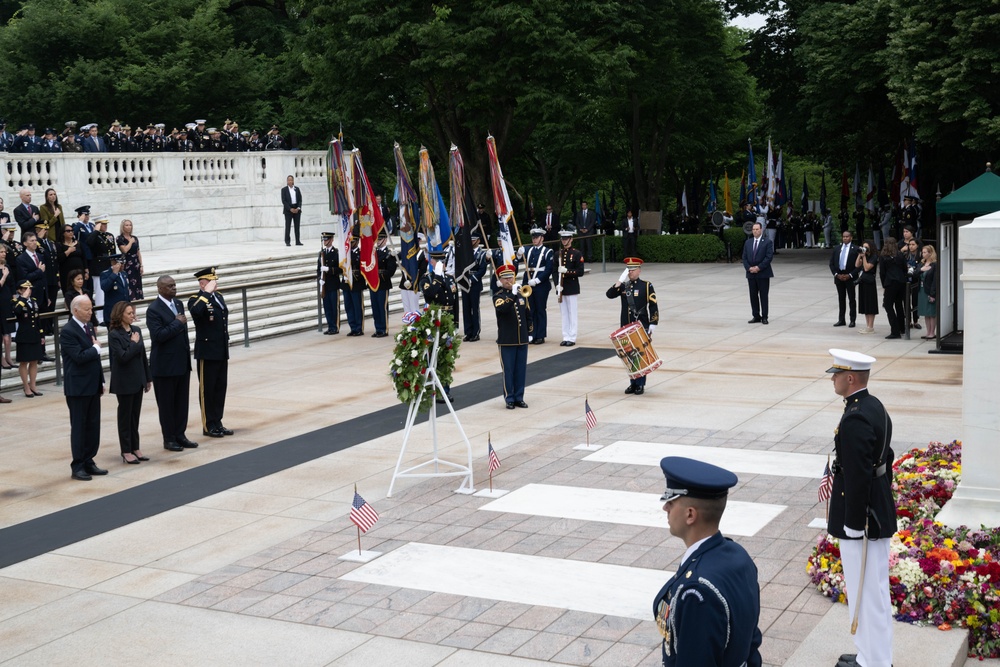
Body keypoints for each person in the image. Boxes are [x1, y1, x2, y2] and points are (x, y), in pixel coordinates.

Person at [653, 456, 763, 667]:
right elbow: (751, 641)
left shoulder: (696, 591)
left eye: (671, 502)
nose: (665, 508)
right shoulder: (738, 555)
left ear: (690, 514)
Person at [825, 349, 897, 667]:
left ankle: (874, 661)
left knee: (867, 592)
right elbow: (886, 458)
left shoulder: (855, 416)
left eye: (836, 374)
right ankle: (871, 652)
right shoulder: (872, 405)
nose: (833, 378)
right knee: (873, 590)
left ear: (850, 378)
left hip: (863, 521)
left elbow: (857, 475)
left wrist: (855, 523)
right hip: (876, 511)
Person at [147, 275, 198, 452]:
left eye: (174, 285)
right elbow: (158, 336)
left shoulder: (178, 304)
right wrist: (177, 324)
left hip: (181, 363)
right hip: (164, 365)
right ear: (160, 288)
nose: (174, 288)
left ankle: (180, 434)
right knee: (167, 405)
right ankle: (169, 438)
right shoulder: (153, 309)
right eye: (169, 286)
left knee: (181, 402)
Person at [61, 295, 107, 481]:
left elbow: (95, 360)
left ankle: (89, 460)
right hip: (78, 388)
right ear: (75, 310)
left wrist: (101, 380)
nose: (91, 312)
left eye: (91, 309)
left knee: (93, 425)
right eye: (87, 309)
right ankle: (78, 464)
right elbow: (79, 357)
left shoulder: (87, 327)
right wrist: (96, 348)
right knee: (79, 427)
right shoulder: (68, 331)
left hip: (92, 385)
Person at [188, 267, 232, 438]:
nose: (216, 283)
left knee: (220, 388)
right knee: (208, 390)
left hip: (221, 349)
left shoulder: (218, 297)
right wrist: (205, 293)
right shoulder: (196, 299)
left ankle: (218, 421)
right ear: (202, 283)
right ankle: (208, 424)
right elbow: (196, 312)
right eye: (211, 281)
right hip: (207, 351)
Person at [606, 257, 659, 395]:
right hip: (626, 326)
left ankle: (640, 384)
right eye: (628, 270)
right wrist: (619, 280)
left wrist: (653, 323)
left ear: (639, 270)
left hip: (640, 325)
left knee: (640, 354)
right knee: (628, 356)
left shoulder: (647, 286)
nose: (630, 272)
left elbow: (653, 305)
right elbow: (609, 295)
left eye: (632, 270)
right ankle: (633, 383)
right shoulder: (624, 286)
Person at [108, 302, 151, 464]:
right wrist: (133, 343)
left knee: (135, 416)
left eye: (133, 312)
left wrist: (147, 377)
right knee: (125, 417)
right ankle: (126, 450)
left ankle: (135, 446)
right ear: (120, 315)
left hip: (137, 379)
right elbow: (122, 357)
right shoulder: (114, 334)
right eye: (129, 313)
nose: (132, 315)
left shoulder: (136, 330)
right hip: (124, 382)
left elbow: (142, 356)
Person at [421, 249, 458, 403]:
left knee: (446, 357)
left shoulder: (450, 278)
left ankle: (444, 390)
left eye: (442, 262)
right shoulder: (427, 279)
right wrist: (437, 278)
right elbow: (429, 295)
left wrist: (455, 324)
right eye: (438, 262)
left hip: (447, 321)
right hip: (434, 321)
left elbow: (454, 302)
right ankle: (431, 390)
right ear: (432, 262)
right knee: (433, 356)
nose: (441, 265)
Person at [494, 264, 531, 409]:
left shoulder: (521, 294)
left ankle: (519, 397)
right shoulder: (499, 296)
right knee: (508, 371)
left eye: (511, 277)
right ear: (501, 281)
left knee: (520, 370)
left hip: (521, 339)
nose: (509, 280)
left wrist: (529, 330)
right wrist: (512, 295)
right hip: (507, 340)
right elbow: (502, 309)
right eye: (506, 278)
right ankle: (509, 398)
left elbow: (527, 313)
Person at [521, 228, 553, 345]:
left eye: (536, 237)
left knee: (540, 310)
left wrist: (537, 280)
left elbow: (549, 269)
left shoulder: (547, 252)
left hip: (541, 286)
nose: (534, 239)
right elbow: (525, 267)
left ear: (542, 238)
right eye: (533, 238)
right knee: (531, 310)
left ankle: (540, 335)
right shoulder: (528, 251)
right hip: (529, 284)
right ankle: (532, 334)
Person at [12, 281, 44, 398]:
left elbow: (37, 319)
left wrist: (41, 334)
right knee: (24, 362)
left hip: (34, 334)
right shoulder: (16, 301)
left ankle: (33, 385)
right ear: (20, 290)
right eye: (25, 288)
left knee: (34, 361)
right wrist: (24, 299)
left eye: (29, 288)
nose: (28, 290)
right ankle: (26, 386)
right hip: (24, 336)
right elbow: (17, 312)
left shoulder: (34, 301)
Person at [556, 227, 584, 346]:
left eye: (566, 238)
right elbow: (554, 271)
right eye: (562, 238)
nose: (564, 241)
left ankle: (572, 337)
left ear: (571, 239)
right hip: (562, 287)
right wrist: (557, 285)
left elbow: (580, 271)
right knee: (564, 314)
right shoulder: (558, 254)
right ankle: (565, 335)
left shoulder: (576, 254)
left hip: (571, 287)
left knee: (572, 313)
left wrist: (567, 271)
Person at [742, 221, 774, 325]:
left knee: (763, 295)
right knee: (753, 295)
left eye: (757, 229)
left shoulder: (767, 242)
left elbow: (769, 257)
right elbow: (744, 257)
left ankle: (764, 316)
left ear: (761, 230)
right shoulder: (748, 242)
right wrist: (749, 268)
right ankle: (756, 315)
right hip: (751, 273)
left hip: (763, 273)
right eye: (754, 229)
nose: (755, 231)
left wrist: (758, 268)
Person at [369, 230, 397, 338]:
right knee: (375, 307)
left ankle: (384, 329)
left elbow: (391, 271)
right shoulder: (373, 253)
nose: (378, 241)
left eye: (380, 239)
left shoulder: (389, 254)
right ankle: (378, 328)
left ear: (385, 240)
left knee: (382, 307)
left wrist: (379, 274)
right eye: (377, 239)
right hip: (373, 284)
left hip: (383, 284)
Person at [461, 231, 488, 342]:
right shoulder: (466, 253)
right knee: (466, 308)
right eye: (471, 240)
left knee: (474, 309)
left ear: (478, 241)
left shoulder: (481, 254)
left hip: (475, 284)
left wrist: (472, 279)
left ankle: (476, 332)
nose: (472, 242)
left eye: (474, 240)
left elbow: (482, 269)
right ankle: (468, 332)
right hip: (465, 283)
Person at [830, 230, 860, 328]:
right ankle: (841, 319)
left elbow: (859, 266)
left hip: (850, 277)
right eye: (844, 237)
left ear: (851, 237)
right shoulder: (837, 248)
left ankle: (852, 320)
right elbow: (831, 263)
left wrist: (850, 275)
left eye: (847, 237)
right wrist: (836, 274)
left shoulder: (855, 249)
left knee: (852, 299)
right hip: (839, 277)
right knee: (841, 299)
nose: (845, 238)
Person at [878, 237, 907, 339]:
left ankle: (895, 331)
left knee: (888, 306)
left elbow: (882, 272)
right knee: (899, 305)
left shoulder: (883, 256)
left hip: (890, 282)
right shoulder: (900, 255)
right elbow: (905, 269)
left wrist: (884, 285)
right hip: (901, 282)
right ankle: (902, 328)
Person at [318, 232, 341, 334]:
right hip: (325, 285)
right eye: (324, 240)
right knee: (327, 307)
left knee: (334, 307)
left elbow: (340, 269)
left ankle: (335, 327)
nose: (325, 241)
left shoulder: (336, 253)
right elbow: (318, 269)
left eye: (327, 239)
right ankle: (330, 326)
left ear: (332, 240)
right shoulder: (321, 253)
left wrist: (329, 269)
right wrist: (320, 278)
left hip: (333, 284)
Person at [854, 241, 879, 334]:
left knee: (870, 304)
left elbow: (867, 268)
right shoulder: (864, 255)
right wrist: (859, 255)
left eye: (866, 247)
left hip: (870, 282)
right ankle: (867, 325)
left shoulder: (874, 256)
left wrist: (864, 257)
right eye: (863, 247)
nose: (864, 249)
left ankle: (871, 326)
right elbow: (857, 265)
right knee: (864, 304)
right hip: (863, 281)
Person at [116, 219, 145, 300]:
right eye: (126, 225)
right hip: (127, 265)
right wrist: (130, 242)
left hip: (136, 264)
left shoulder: (134, 238)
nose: (129, 227)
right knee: (129, 288)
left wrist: (141, 265)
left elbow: (138, 252)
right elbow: (124, 250)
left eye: (130, 225)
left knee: (136, 287)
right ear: (123, 227)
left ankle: (134, 309)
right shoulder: (120, 238)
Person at [343, 236, 365, 336]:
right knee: (348, 306)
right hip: (346, 283)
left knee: (357, 306)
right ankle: (352, 327)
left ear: (357, 241)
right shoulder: (345, 253)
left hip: (356, 284)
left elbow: (363, 268)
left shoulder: (360, 253)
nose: (351, 243)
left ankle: (359, 327)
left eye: (352, 241)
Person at [99, 254, 130, 325]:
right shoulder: (105, 274)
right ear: (113, 262)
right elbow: (105, 287)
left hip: (124, 311)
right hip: (113, 312)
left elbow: (126, 293)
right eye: (120, 263)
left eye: (123, 263)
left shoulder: (124, 274)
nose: (123, 265)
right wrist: (114, 274)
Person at [0, 244, 15, 379]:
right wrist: (3, 276)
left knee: (8, 334)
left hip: (7, 302)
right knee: (2, 335)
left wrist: (14, 297)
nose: (4, 254)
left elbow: (12, 284)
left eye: (4, 252)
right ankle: (2, 359)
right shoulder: (3, 271)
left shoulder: (7, 267)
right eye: (1, 252)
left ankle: (9, 357)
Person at [918, 244, 937, 339]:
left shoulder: (934, 265)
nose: (923, 254)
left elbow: (935, 280)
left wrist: (933, 293)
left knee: (931, 313)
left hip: (929, 290)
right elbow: (914, 274)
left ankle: (932, 332)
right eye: (922, 252)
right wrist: (921, 269)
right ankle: (928, 331)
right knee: (926, 312)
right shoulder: (922, 264)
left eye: (925, 252)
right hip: (921, 290)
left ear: (930, 253)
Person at [280, 175, 303, 246]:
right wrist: (290, 209)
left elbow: (300, 199)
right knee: (288, 226)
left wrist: (298, 208)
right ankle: (287, 241)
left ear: (293, 181)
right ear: (287, 181)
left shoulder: (297, 189)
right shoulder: (284, 190)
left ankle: (297, 241)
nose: (290, 181)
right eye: (288, 180)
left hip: (296, 210)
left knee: (297, 226)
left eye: (291, 180)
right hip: (288, 210)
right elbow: (284, 201)